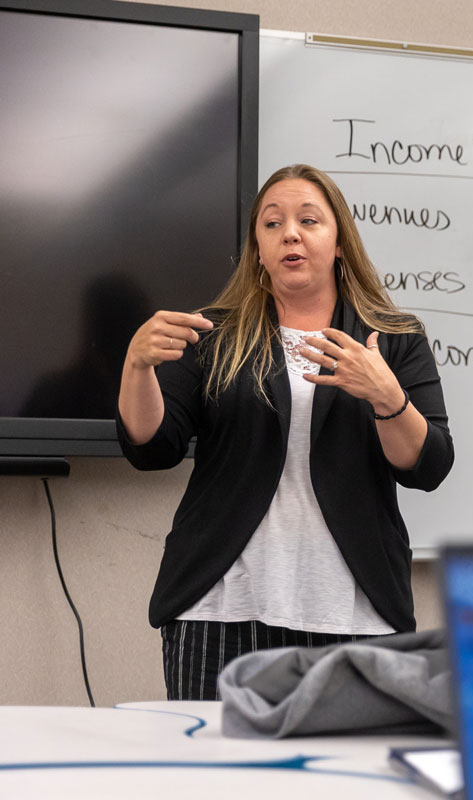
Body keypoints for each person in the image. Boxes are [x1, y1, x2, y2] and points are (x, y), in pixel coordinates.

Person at [117, 164, 455, 700]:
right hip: (222, 608)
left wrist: (387, 397)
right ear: (258, 249)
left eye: (309, 220)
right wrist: (136, 367)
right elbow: (153, 448)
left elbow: (428, 466)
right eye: (272, 224)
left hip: (354, 611)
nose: (290, 233)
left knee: (341, 784)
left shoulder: (392, 338)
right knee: (219, 782)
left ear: (339, 241)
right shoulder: (215, 333)